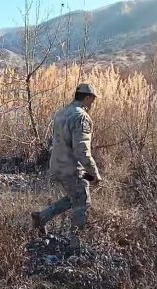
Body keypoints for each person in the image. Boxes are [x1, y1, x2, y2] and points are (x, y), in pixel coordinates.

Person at [32, 83, 102, 251]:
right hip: (74, 170)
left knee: (73, 197)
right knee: (82, 202)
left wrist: (90, 175)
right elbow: (82, 151)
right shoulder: (81, 117)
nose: (93, 102)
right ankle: (76, 247)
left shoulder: (62, 112)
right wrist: (95, 174)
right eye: (93, 99)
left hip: (59, 166)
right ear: (87, 98)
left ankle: (41, 218)